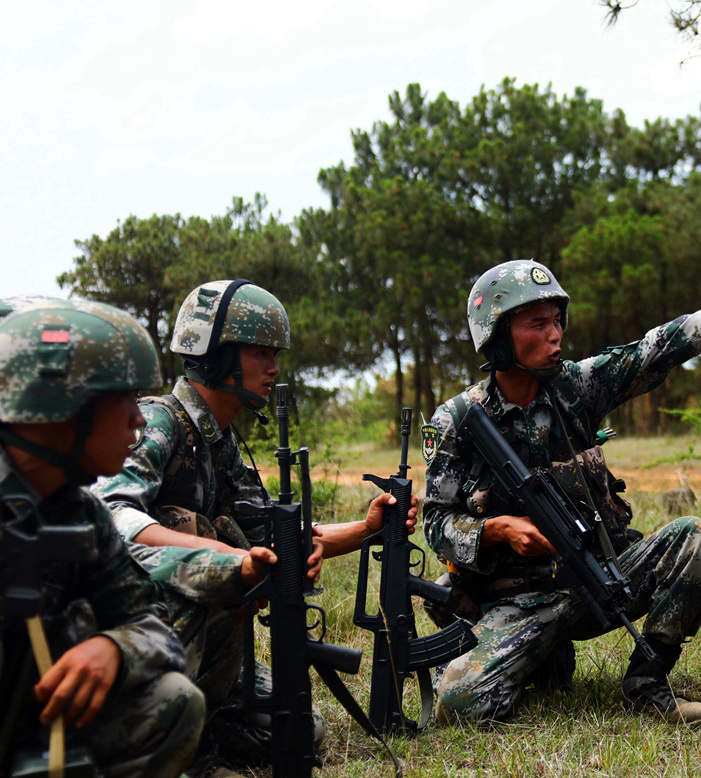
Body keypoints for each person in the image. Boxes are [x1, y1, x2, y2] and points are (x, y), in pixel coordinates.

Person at [424, 258, 701, 727]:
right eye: (538, 324)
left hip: (600, 578)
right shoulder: (456, 420)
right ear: (497, 338)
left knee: (694, 538)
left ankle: (646, 682)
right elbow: (437, 524)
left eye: (558, 321)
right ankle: (541, 657)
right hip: (517, 603)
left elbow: (657, 348)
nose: (555, 334)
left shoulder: (576, 386)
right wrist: (497, 529)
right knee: (457, 704)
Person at [91, 279, 417, 774]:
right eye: (261, 352)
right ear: (215, 354)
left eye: (275, 354)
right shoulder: (161, 424)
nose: (274, 367)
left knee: (302, 730)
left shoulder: (220, 442)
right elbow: (113, 517)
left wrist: (368, 527)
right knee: (200, 534)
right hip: (132, 635)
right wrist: (221, 559)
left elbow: (270, 542)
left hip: (199, 645)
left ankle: (195, 727)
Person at [0, 298, 224, 777]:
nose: (140, 419)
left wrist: (114, 650)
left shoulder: (79, 512)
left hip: (34, 727)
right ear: (63, 407)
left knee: (173, 701)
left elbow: (154, 623)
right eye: (123, 398)